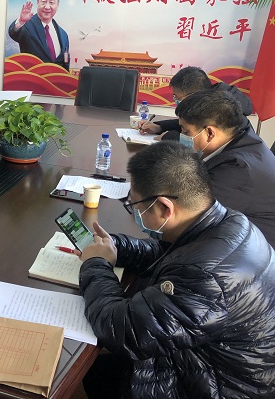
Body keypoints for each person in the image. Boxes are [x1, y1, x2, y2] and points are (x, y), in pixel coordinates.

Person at [78, 141, 275, 399]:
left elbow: (124, 331)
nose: (135, 211)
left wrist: (96, 264)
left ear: (165, 208)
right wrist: (115, 247)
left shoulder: (205, 275)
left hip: (220, 386)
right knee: (98, 372)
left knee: (95, 374)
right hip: (217, 362)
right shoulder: (228, 222)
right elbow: (170, 254)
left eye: (135, 206)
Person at [174, 88, 275, 245]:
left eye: (185, 131)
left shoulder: (238, 170)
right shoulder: (242, 136)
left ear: (210, 133)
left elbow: (184, 215)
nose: (182, 136)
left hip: (254, 253)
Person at [138, 66, 253, 140]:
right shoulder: (210, 98)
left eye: (177, 97)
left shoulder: (222, 108)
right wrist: (159, 127)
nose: (176, 100)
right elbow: (190, 124)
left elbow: (200, 139)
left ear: (192, 95)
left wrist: (169, 137)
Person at [8, 0, 70, 71]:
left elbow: (65, 62)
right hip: (33, 78)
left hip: (57, 79)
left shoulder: (63, 35)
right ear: (38, 1)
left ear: (58, 4)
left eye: (51, 2)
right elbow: (14, 33)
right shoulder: (27, 25)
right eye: (44, 2)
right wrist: (21, 21)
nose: (47, 7)